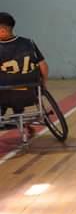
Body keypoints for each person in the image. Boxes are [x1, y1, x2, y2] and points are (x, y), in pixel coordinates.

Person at [0, 12, 49, 140]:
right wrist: (43, 84)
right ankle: (25, 123)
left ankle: (17, 121)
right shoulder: (29, 43)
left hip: (4, 97)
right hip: (30, 95)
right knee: (17, 88)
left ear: (2, 30)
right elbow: (43, 66)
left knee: (6, 89)